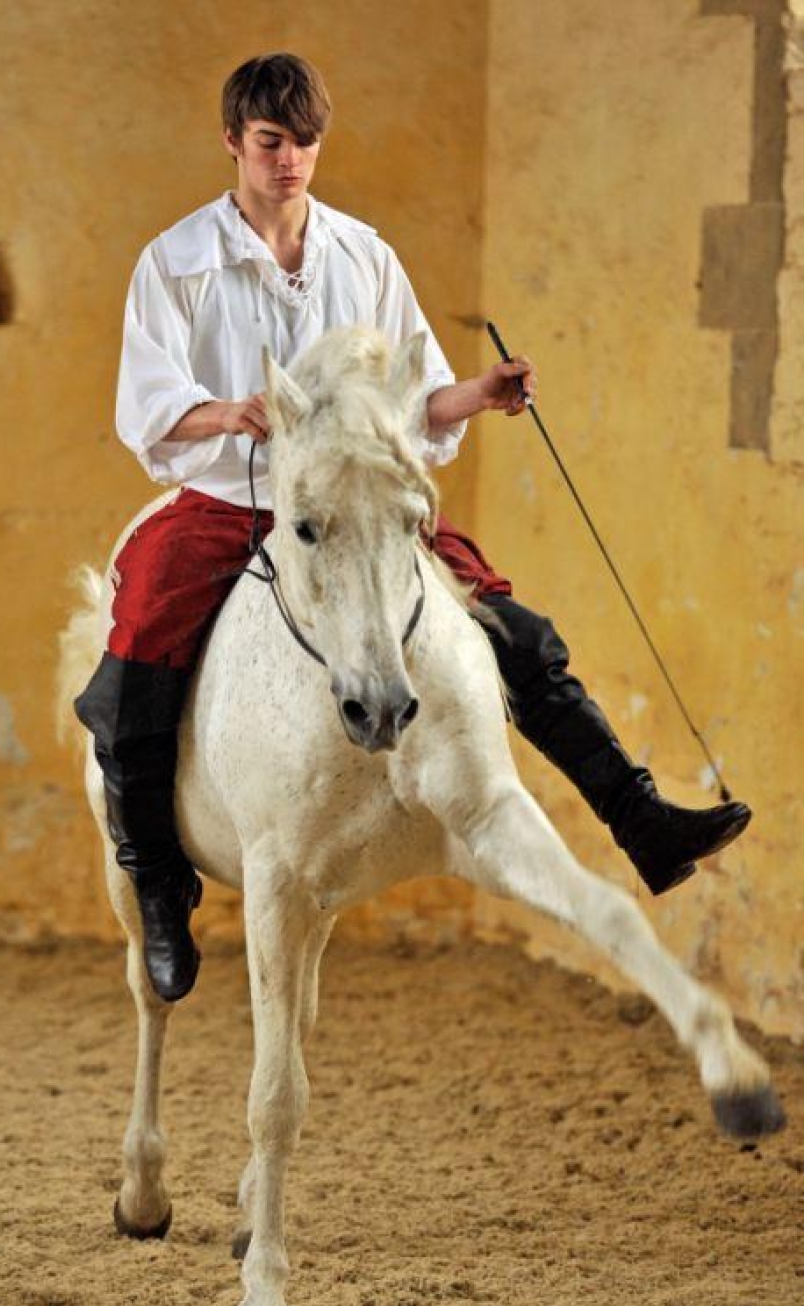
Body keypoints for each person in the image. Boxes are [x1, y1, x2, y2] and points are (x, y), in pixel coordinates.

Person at [75, 53, 750, 1004]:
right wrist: (228, 412)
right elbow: (144, 407)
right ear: (233, 141)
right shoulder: (175, 263)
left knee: (511, 627)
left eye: (305, 144)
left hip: (358, 507)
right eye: (270, 144)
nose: (289, 163)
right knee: (138, 642)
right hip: (233, 501)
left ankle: (641, 821)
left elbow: (416, 393)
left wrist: (480, 393)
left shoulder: (364, 255)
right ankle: (156, 882)